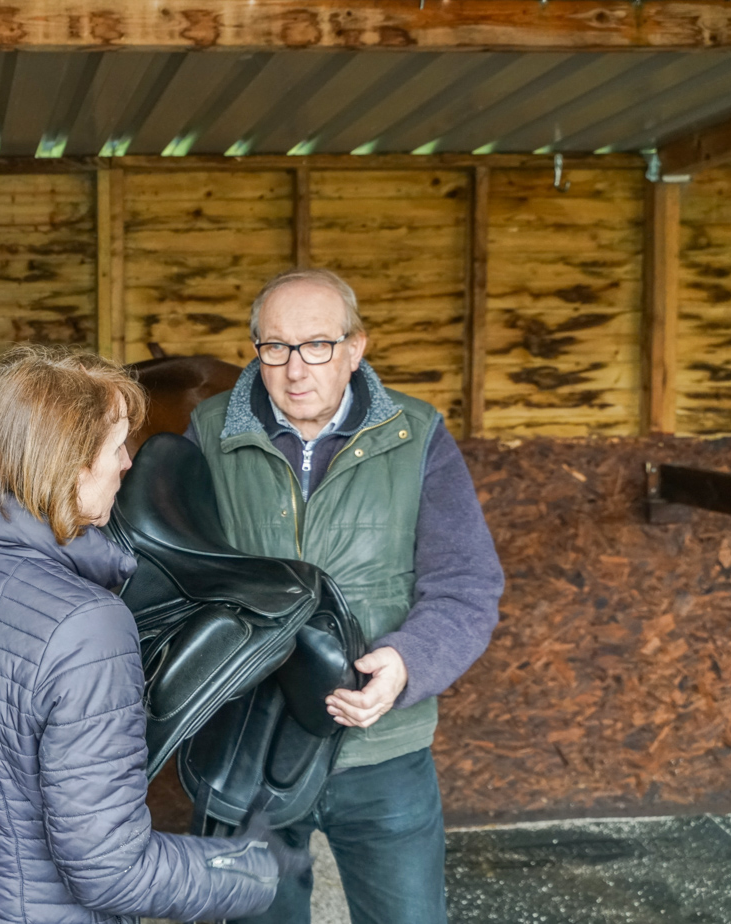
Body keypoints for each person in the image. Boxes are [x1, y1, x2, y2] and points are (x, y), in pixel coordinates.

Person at [0, 345, 301, 924]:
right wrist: (250, 867)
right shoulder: (88, 625)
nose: (128, 464)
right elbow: (111, 870)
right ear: (67, 464)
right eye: (116, 447)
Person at [184, 268, 505, 924]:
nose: (294, 368)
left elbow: (465, 586)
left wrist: (408, 662)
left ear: (354, 348)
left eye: (316, 345)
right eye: (274, 346)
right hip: (250, 747)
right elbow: (177, 574)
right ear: (255, 350)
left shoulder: (415, 438)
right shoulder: (207, 433)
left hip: (381, 751)